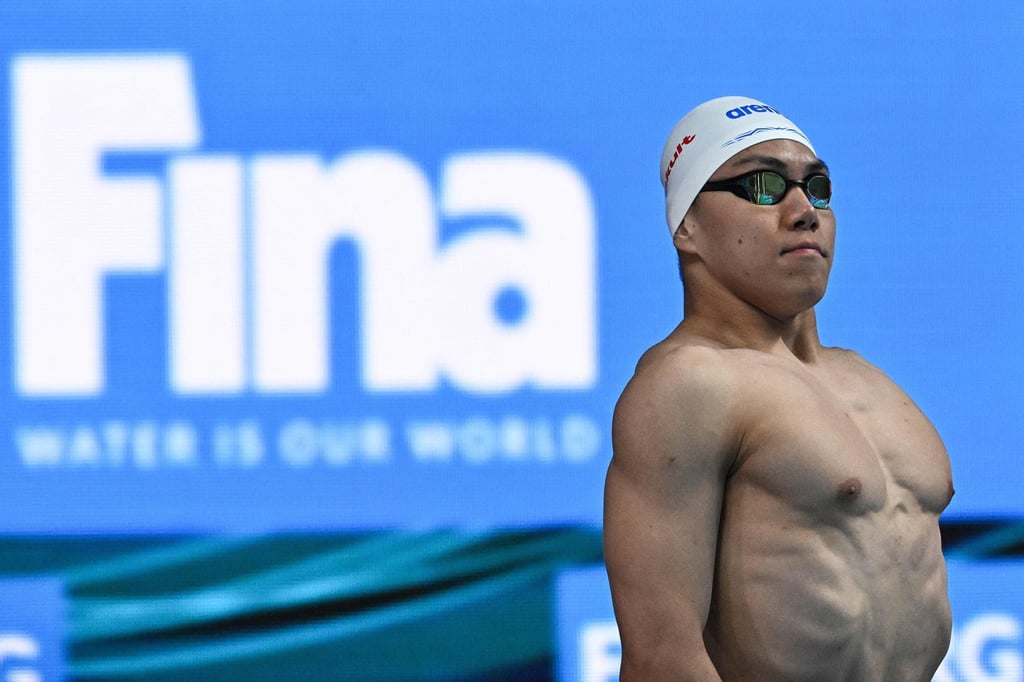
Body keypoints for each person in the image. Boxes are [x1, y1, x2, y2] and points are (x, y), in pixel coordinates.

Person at [603, 96, 954, 681]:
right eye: (763, 186)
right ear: (687, 225)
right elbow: (661, 657)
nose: (803, 210)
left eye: (818, 188)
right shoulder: (686, 385)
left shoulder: (867, 379)